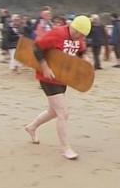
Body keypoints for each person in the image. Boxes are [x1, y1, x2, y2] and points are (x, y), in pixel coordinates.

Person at [24, 16, 91, 160]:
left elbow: (81, 51)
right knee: (63, 113)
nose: (80, 38)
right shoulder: (58, 33)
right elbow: (37, 48)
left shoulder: (78, 39)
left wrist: (85, 58)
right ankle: (66, 148)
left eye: (82, 36)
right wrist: (45, 67)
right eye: (79, 34)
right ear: (74, 27)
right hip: (47, 77)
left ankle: (31, 127)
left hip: (62, 77)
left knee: (53, 111)